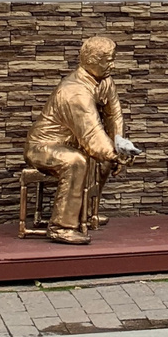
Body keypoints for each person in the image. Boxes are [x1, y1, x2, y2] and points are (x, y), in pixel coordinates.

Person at [24, 35, 140, 245]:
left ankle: (84, 213)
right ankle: (61, 227)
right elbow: (92, 136)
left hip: (71, 143)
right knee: (75, 161)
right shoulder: (75, 92)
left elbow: (114, 115)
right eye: (108, 60)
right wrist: (116, 155)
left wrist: (119, 146)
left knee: (103, 162)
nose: (113, 65)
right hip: (43, 146)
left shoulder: (104, 81)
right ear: (92, 61)